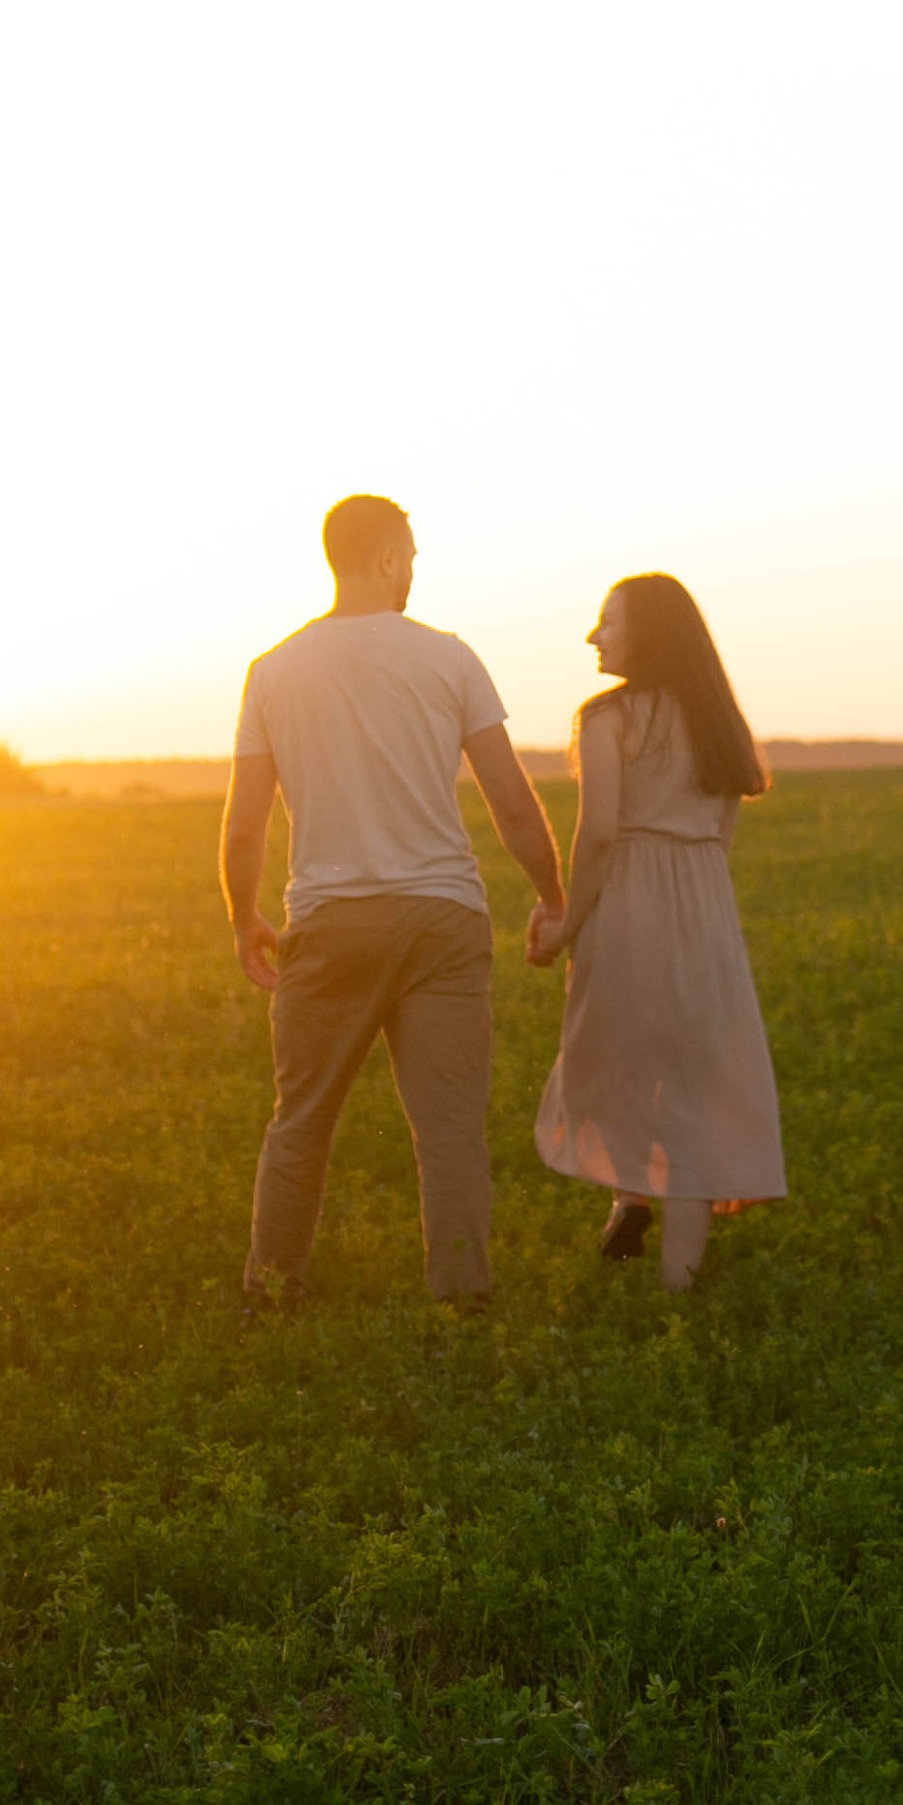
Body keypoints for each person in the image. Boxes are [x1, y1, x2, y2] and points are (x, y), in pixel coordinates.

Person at [223, 493, 564, 1312]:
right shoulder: (449, 659)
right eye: (408, 555)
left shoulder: (273, 671)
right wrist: (556, 896)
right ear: (383, 557)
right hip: (442, 921)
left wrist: (244, 917)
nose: (412, 570)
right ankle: (463, 1303)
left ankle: (272, 1295)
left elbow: (245, 824)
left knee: (299, 1121)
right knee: (449, 1133)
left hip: (331, 923)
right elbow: (512, 804)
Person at [527, 571, 785, 1292]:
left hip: (628, 908)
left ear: (648, 632)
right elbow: (720, 837)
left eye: (607, 621)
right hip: (705, 913)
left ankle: (628, 1195)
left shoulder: (608, 718)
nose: (593, 635)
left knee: (612, 1060)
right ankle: (679, 1285)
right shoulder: (719, 723)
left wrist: (564, 922)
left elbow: (600, 834)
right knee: (694, 1085)